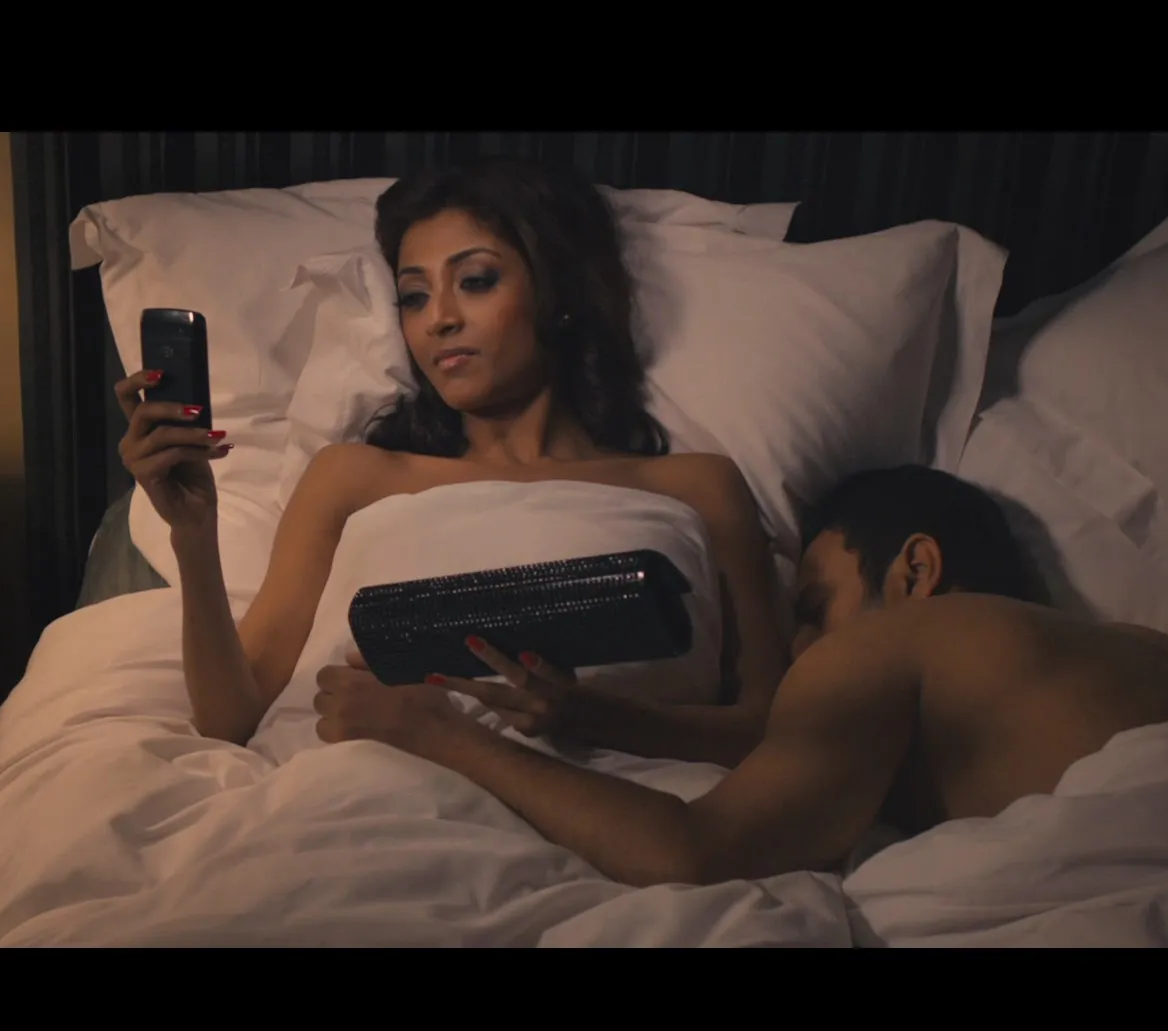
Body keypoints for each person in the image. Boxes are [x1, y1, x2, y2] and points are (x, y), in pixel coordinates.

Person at [311, 464, 1168, 888]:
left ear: (915, 571)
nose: (804, 652)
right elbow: (803, 740)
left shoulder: (893, 643)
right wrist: (595, 713)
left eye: (814, 607)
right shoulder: (1159, 662)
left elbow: (695, 852)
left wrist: (426, 729)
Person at [114, 156, 792, 752]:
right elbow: (230, 719)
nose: (438, 319)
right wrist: (193, 535)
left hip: (619, 806)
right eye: (414, 296)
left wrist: (593, 719)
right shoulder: (352, 477)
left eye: (476, 280)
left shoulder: (698, 487)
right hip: (360, 793)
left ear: (558, 294)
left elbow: (768, 729)